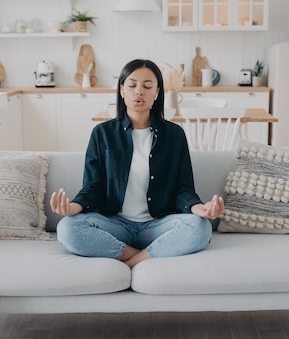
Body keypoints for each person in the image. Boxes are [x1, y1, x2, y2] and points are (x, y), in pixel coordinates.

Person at [50, 59, 224, 268]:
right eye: (132, 85)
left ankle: (134, 261)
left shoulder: (174, 135)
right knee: (68, 228)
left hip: (158, 225)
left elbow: (183, 189)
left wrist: (199, 209)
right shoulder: (102, 134)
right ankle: (139, 256)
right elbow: (93, 187)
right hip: (115, 224)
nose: (139, 92)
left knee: (200, 228)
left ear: (157, 92)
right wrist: (73, 207)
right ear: (122, 90)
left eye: (147, 86)